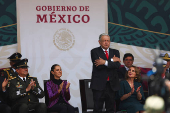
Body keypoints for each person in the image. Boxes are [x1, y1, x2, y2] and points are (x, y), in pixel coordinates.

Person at [90, 33, 121, 113]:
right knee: (97, 108)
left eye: (108, 41)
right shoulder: (94, 51)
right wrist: (111, 61)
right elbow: (98, 66)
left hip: (112, 85)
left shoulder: (115, 52)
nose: (106, 42)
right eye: (104, 41)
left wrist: (104, 62)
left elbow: (117, 65)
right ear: (99, 42)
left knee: (110, 109)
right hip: (98, 85)